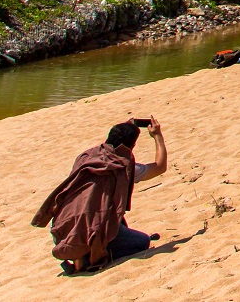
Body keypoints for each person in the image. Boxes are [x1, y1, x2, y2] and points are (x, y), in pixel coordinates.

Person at [33, 117, 167, 274]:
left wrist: (125, 126)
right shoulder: (122, 166)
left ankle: (80, 251)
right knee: (142, 242)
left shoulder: (86, 157)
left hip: (62, 229)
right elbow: (160, 167)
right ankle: (89, 255)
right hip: (91, 232)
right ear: (132, 146)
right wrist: (158, 136)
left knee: (114, 216)